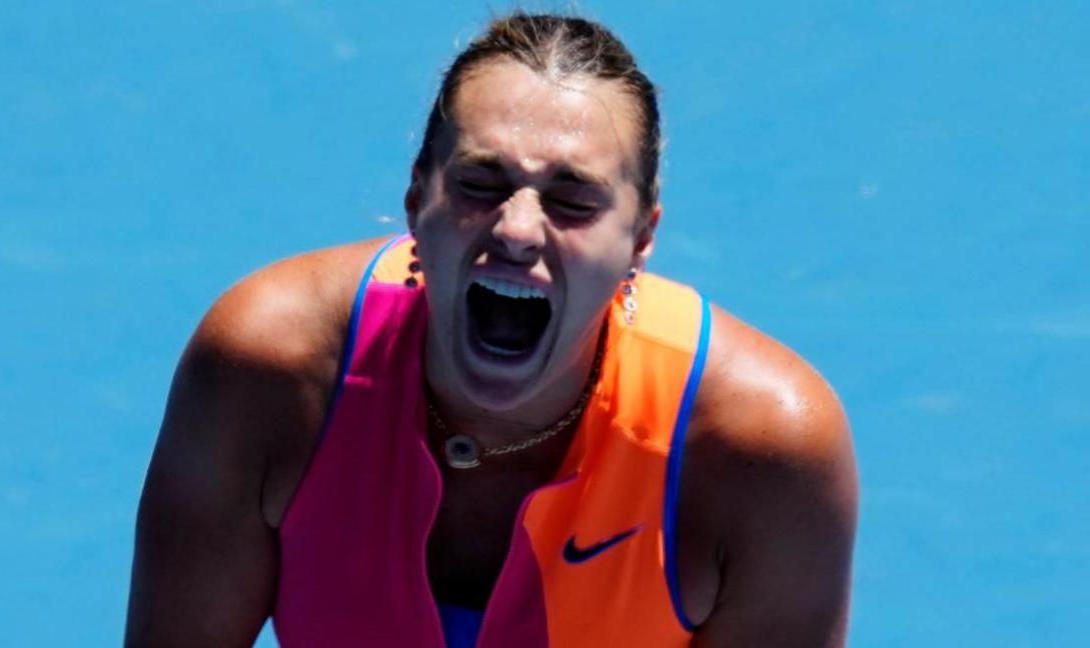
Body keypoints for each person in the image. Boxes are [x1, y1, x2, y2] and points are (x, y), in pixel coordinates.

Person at [126, 12, 857, 648]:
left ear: (641, 239)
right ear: (416, 198)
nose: (517, 230)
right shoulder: (269, 367)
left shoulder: (760, 447)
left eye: (573, 200)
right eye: (480, 184)